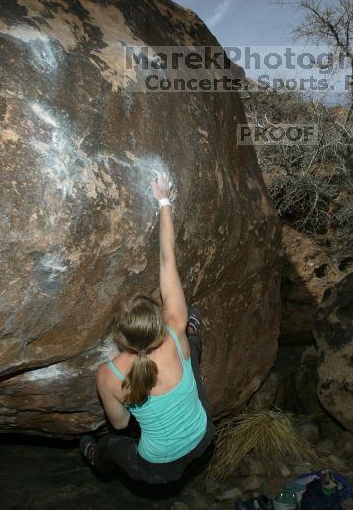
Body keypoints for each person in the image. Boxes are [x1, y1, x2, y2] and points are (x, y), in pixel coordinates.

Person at [79, 169, 213, 484]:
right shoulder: (173, 326)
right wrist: (163, 198)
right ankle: (196, 330)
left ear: (119, 338)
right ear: (157, 318)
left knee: (112, 444)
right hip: (204, 438)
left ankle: (94, 455)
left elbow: (122, 424)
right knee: (189, 348)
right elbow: (168, 259)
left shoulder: (109, 376)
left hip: (158, 467)